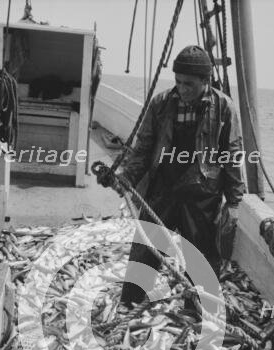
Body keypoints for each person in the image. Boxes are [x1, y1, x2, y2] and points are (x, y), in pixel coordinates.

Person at [99, 45, 245, 307]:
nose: (182, 89)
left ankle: (199, 310)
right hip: (163, 188)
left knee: (201, 256)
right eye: (178, 82)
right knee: (145, 250)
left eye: (189, 84)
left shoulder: (224, 108)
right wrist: (127, 178)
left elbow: (232, 156)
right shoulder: (161, 103)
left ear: (205, 81)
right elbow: (143, 148)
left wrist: (234, 203)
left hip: (201, 193)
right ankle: (129, 303)